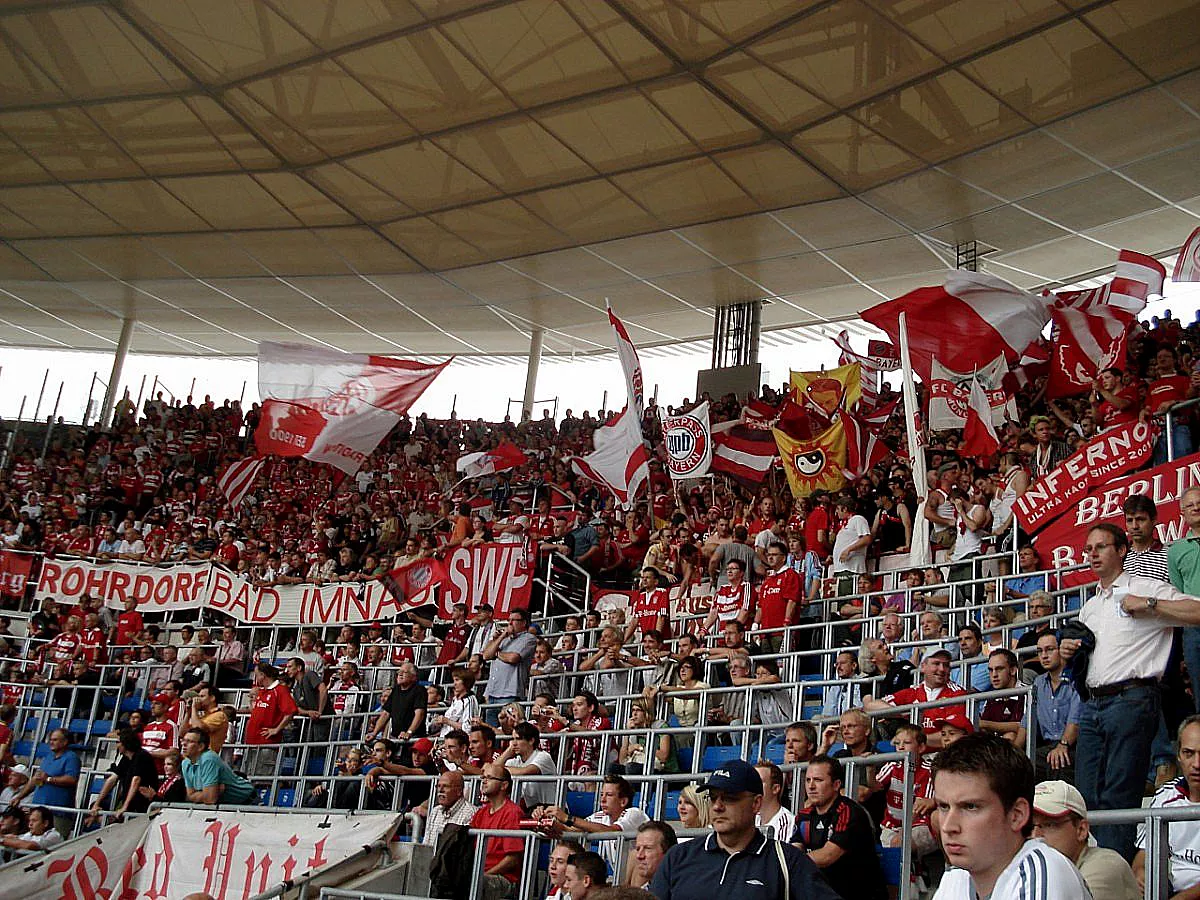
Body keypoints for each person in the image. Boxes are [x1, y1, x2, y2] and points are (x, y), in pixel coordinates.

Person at [1061, 522, 1200, 859]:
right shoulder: (1090, 606)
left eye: (1100, 547)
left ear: (1121, 550)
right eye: (1088, 549)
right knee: (1087, 796)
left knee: (1119, 794)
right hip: (1093, 704)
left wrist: (1150, 604)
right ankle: (1095, 872)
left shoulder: (1147, 587)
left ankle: (1112, 875)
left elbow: (1197, 611)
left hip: (1133, 698)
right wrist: (1070, 649)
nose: (1091, 554)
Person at [649, 759, 839, 900]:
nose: (717, 806)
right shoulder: (679, 857)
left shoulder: (786, 861)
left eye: (729, 798)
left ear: (756, 803)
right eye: (713, 798)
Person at [931, 732, 1090, 900]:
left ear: (1017, 815)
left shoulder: (1042, 872)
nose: (948, 827)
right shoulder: (955, 876)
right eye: (943, 806)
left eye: (970, 807)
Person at [790, 754, 887, 900]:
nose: (811, 786)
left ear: (836, 785)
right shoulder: (804, 815)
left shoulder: (849, 812)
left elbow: (828, 856)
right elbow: (795, 847)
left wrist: (793, 860)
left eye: (818, 780)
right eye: (808, 780)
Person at [1033, 780, 1140, 900]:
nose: (1036, 836)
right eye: (1029, 827)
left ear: (1081, 830)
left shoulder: (1105, 865)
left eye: (1049, 825)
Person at [1134, 715, 1200, 897]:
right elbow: (1143, 855)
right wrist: (1140, 873)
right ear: (1178, 755)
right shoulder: (1165, 795)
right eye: (1189, 753)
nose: (1196, 764)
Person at [863, 649, 968, 748]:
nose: (941, 669)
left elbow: (952, 737)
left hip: (941, 755)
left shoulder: (957, 694)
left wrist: (912, 740)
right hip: (914, 754)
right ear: (923, 667)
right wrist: (900, 713)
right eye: (936, 664)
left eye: (946, 665)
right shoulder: (913, 692)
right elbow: (870, 707)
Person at [547, 774, 649, 872]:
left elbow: (612, 831)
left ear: (623, 801)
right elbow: (571, 829)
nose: (603, 800)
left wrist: (567, 818)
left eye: (609, 795)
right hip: (621, 879)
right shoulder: (601, 816)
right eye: (601, 794)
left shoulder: (634, 813)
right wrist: (550, 824)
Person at [1032, 632, 1082, 783]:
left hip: (1074, 745)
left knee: (1060, 760)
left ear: (1061, 649)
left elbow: (1076, 718)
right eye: (1040, 651)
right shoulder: (1038, 683)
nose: (1044, 655)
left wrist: (1063, 745)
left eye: (1049, 649)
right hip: (1047, 747)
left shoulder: (1077, 678)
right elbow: (1027, 721)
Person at [469, 763, 524, 899]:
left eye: (489, 778)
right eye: (483, 778)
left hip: (503, 879)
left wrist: (484, 874)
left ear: (504, 785)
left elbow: (512, 859)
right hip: (479, 873)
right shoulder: (481, 813)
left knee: (469, 884)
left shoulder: (512, 812)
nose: (484, 781)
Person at [86, 728, 158, 825]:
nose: (117, 745)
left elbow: (136, 780)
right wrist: (96, 804)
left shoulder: (142, 756)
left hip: (142, 805)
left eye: (119, 742)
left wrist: (125, 807)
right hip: (131, 805)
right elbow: (112, 779)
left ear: (126, 743)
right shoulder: (125, 758)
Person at [242, 662, 297, 778]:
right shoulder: (262, 692)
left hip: (266, 744)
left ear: (263, 675)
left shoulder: (280, 690)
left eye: (257, 675)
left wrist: (276, 729)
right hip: (251, 743)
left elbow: (291, 711)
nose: (255, 678)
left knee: (262, 779)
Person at [483, 607, 538, 723]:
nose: (510, 623)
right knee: (491, 732)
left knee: (509, 728)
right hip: (492, 692)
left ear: (524, 623)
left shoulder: (529, 638)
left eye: (514, 620)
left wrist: (496, 653)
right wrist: (500, 638)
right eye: (509, 620)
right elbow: (486, 656)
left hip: (510, 692)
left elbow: (513, 658)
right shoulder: (504, 639)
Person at [180, 728, 256, 806]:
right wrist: (212, 792)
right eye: (183, 740)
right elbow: (190, 796)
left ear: (201, 746)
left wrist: (205, 794)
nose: (184, 744)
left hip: (247, 800)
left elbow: (210, 799)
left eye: (190, 741)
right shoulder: (185, 763)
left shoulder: (208, 759)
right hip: (227, 803)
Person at [499, 721, 557, 811]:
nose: (513, 743)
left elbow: (525, 771)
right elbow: (491, 771)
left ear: (531, 740)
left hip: (551, 808)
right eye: (512, 739)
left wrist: (502, 770)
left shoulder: (543, 756)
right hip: (532, 809)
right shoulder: (514, 761)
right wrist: (507, 752)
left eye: (518, 739)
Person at [365, 661, 427, 744]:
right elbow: (386, 713)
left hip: (414, 738)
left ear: (414, 677)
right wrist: (374, 733)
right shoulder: (395, 690)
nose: (400, 675)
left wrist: (409, 732)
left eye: (404, 672)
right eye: (399, 672)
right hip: (395, 737)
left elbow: (419, 714)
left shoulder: (419, 690)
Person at [421, 770, 477, 848]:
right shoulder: (435, 811)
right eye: (438, 786)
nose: (440, 790)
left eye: (446, 786)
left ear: (459, 791)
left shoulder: (471, 813)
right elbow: (426, 844)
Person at [754, 760, 794, 842]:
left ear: (775, 789)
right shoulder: (752, 819)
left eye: (759, 782)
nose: (753, 786)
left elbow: (780, 854)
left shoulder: (787, 822)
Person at [630, 821, 677, 890]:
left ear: (668, 852)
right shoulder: (641, 893)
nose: (639, 856)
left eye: (648, 848)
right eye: (638, 849)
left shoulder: (686, 891)